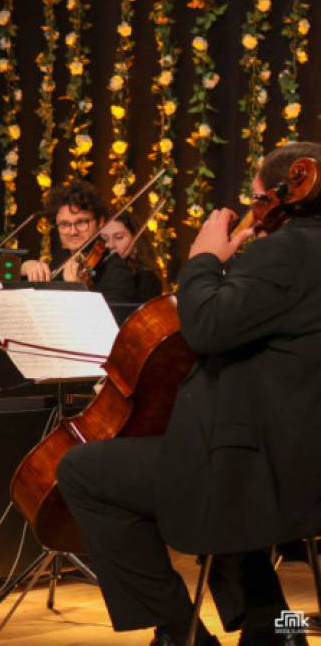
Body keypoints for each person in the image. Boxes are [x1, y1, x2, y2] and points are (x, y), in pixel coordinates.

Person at [56, 142, 321, 646]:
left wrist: (203, 259)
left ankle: (181, 633)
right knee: (220, 459)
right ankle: (275, 628)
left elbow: (205, 326)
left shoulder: (286, 252)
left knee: (84, 471)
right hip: (295, 459)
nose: (253, 211)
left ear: (284, 195)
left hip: (264, 471)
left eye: (257, 199)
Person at [20, 179, 135, 302]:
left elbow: (110, 314)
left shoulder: (117, 271)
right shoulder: (59, 261)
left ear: (100, 222)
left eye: (81, 222)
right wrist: (25, 270)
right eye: (64, 224)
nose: (73, 232)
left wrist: (78, 291)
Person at [99, 212, 164, 303]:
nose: (110, 245)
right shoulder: (98, 272)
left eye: (119, 237)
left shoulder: (145, 279)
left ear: (135, 240)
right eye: (104, 239)